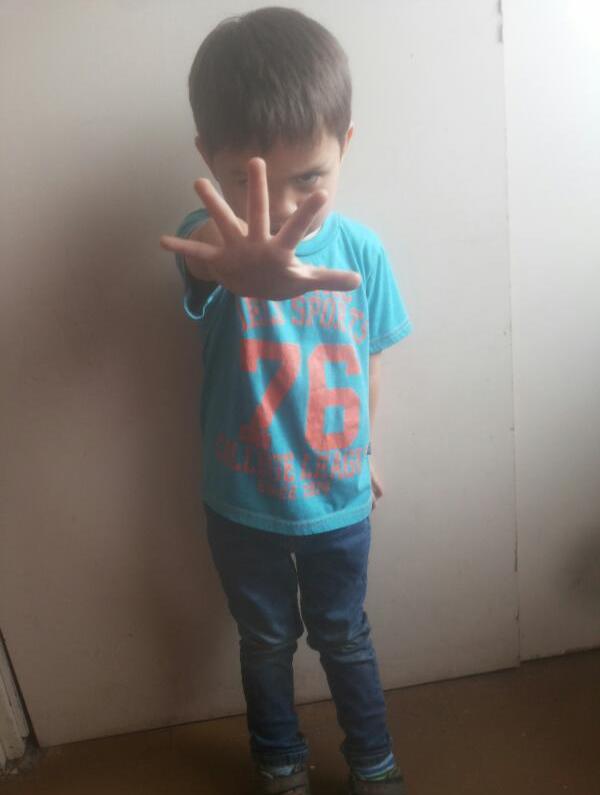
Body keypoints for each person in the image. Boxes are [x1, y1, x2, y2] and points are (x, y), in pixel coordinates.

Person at [159, 7, 413, 794]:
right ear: (208, 160)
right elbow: (204, 258)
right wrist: (235, 264)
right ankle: (279, 759)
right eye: (248, 181)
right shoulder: (210, 236)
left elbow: (369, 361)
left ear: (345, 145)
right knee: (265, 640)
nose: (283, 209)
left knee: (345, 634)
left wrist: (367, 449)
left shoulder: (362, 252)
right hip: (243, 503)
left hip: (339, 498)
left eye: (310, 179)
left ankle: (372, 759)